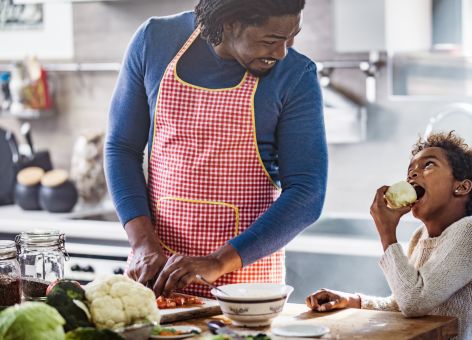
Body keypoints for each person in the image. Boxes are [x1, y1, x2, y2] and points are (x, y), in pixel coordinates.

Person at [104, 0, 327, 298]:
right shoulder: (155, 41)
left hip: (245, 287)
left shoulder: (296, 75)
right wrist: (143, 242)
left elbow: (307, 192)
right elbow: (121, 147)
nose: (281, 52)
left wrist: (216, 262)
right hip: (155, 278)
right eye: (270, 41)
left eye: (291, 37)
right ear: (229, 23)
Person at [306, 131, 472, 340]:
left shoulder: (470, 232)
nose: (412, 175)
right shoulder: (421, 236)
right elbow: (401, 303)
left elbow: (414, 302)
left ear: (461, 187)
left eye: (428, 165)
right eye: (410, 170)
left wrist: (387, 233)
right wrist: (353, 301)